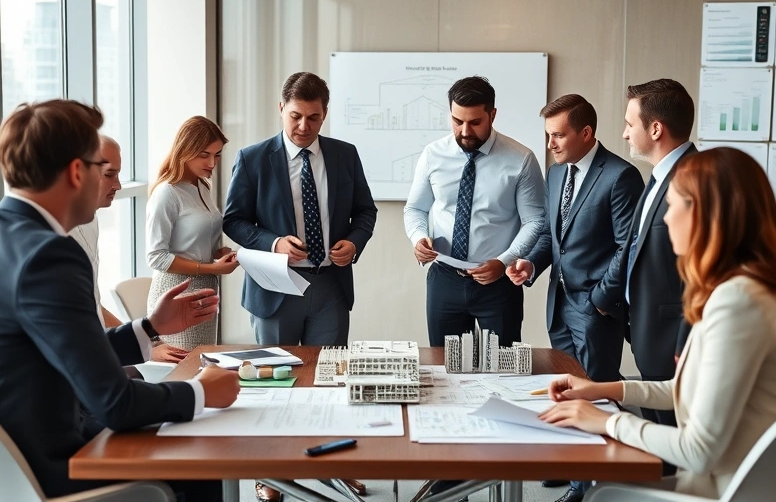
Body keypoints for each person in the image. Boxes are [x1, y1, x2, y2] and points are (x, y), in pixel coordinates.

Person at [0, 100, 240, 501]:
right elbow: (116, 404)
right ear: (77, 172)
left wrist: (149, 328)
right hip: (36, 468)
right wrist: (201, 392)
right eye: (102, 170)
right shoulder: (49, 255)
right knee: (196, 459)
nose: (114, 184)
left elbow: (67, 350)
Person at [540, 148, 776, 501]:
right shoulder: (750, 288)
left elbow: (698, 450)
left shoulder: (740, 302)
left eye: (674, 206)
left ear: (706, 215)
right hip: (738, 478)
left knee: (603, 494)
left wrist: (605, 421)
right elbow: (690, 390)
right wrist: (602, 391)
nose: (667, 219)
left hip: (732, 488)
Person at [506, 94, 643, 501]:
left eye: (558, 134)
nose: (551, 143)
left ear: (586, 133)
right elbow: (554, 237)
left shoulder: (620, 176)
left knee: (593, 392)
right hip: (560, 305)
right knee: (563, 388)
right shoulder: (555, 173)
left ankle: (586, 485)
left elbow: (627, 248)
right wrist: (530, 264)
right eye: (548, 135)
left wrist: (601, 300)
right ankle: (570, 467)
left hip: (596, 309)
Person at [223, 71, 377, 347]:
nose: (304, 126)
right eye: (296, 116)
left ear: (325, 114)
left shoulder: (346, 155)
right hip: (275, 287)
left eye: (313, 117)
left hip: (331, 286)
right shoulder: (252, 159)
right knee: (278, 378)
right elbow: (233, 221)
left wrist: (354, 243)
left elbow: (366, 211)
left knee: (328, 377)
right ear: (281, 109)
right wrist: (274, 243)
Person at [404, 75, 545, 347]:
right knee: (445, 368)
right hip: (445, 279)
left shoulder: (521, 159)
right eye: (457, 122)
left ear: (492, 115)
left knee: (504, 371)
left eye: (475, 122)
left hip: (498, 284)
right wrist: (418, 238)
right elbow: (415, 208)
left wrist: (503, 261)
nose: (465, 131)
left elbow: (534, 220)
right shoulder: (433, 155)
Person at [616, 79, 698, 460]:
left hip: (673, 339)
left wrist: (683, 344)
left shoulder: (694, 179)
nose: (624, 132)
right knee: (659, 446)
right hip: (648, 329)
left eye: (630, 123)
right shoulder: (658, 176)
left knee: (674, 447)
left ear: (655, 129)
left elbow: (701, 277)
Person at [71, 135, 186, 362]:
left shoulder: (91, 221)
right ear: (76, 172)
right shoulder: (51, 240)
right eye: (109, 175)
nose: (119, 185)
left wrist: (148, 339)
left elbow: (94, 305)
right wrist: (145, 345)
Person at [147, 117, 240, 351]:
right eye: (204, 154)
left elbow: (195, 241)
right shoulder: (167, 193)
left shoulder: (201, 186)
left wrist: (218, 253)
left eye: (217, 155)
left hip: (205, 291)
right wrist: (212, 268)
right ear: (185, 151)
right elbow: (156, 257)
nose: (212, 162)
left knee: (201, 366)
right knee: (184, 371)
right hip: (177, 292)